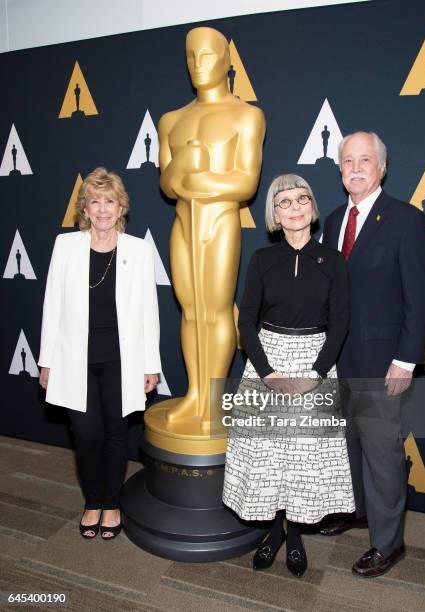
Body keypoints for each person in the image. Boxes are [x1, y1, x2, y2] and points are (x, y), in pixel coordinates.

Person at [223, 174, 355, 577]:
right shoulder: (262, 260)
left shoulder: (332, 260)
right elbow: (246, 320)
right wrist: (267, 372)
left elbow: (341, 321)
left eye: (302, 200)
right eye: (284, 203)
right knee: (268, 455)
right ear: (275, 215)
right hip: (268, 360)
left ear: (312, 209)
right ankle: (274, 532)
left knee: (303, 456)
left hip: (315, 361)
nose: (294, 208)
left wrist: (317, 372)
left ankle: (295, 535)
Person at [321, 132, 425, 577]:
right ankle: (358, 512)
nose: (355, 168)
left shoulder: (405, 220)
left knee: (383, 455)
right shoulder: (332, 221)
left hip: (383, 363)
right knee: (349, 447)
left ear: (382, 167)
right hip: (339, 361)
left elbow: (421, 296)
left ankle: (389, 544)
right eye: (347, 161)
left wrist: (406, 360)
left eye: (365, 159)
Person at [38, 167, 162, 540]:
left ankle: (110, 504)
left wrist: (150, 365)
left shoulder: (138, 250)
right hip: (74, 357)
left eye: (110, 201)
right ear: (85, 208)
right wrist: (46, 360)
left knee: (114, 433)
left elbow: (148, 313)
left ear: (121, 206)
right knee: (85, 434)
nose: (103, 209)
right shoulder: (66, 246)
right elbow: (52, 306)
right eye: (96, 201)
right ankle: (91, 500)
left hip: (121, 359)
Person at [156, 26, 265, 430]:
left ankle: (215, 401)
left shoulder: (246, 115)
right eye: (191, 56)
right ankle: (195, 396)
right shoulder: (172, 120)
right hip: (184, 222)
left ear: (226, 61)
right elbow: (167, 184)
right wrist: (186, 167)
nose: (198, 64)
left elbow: (245, 183)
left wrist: (195, 174)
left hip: (220, 222)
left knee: (216, 310)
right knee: (190, 311)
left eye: (207, 55)